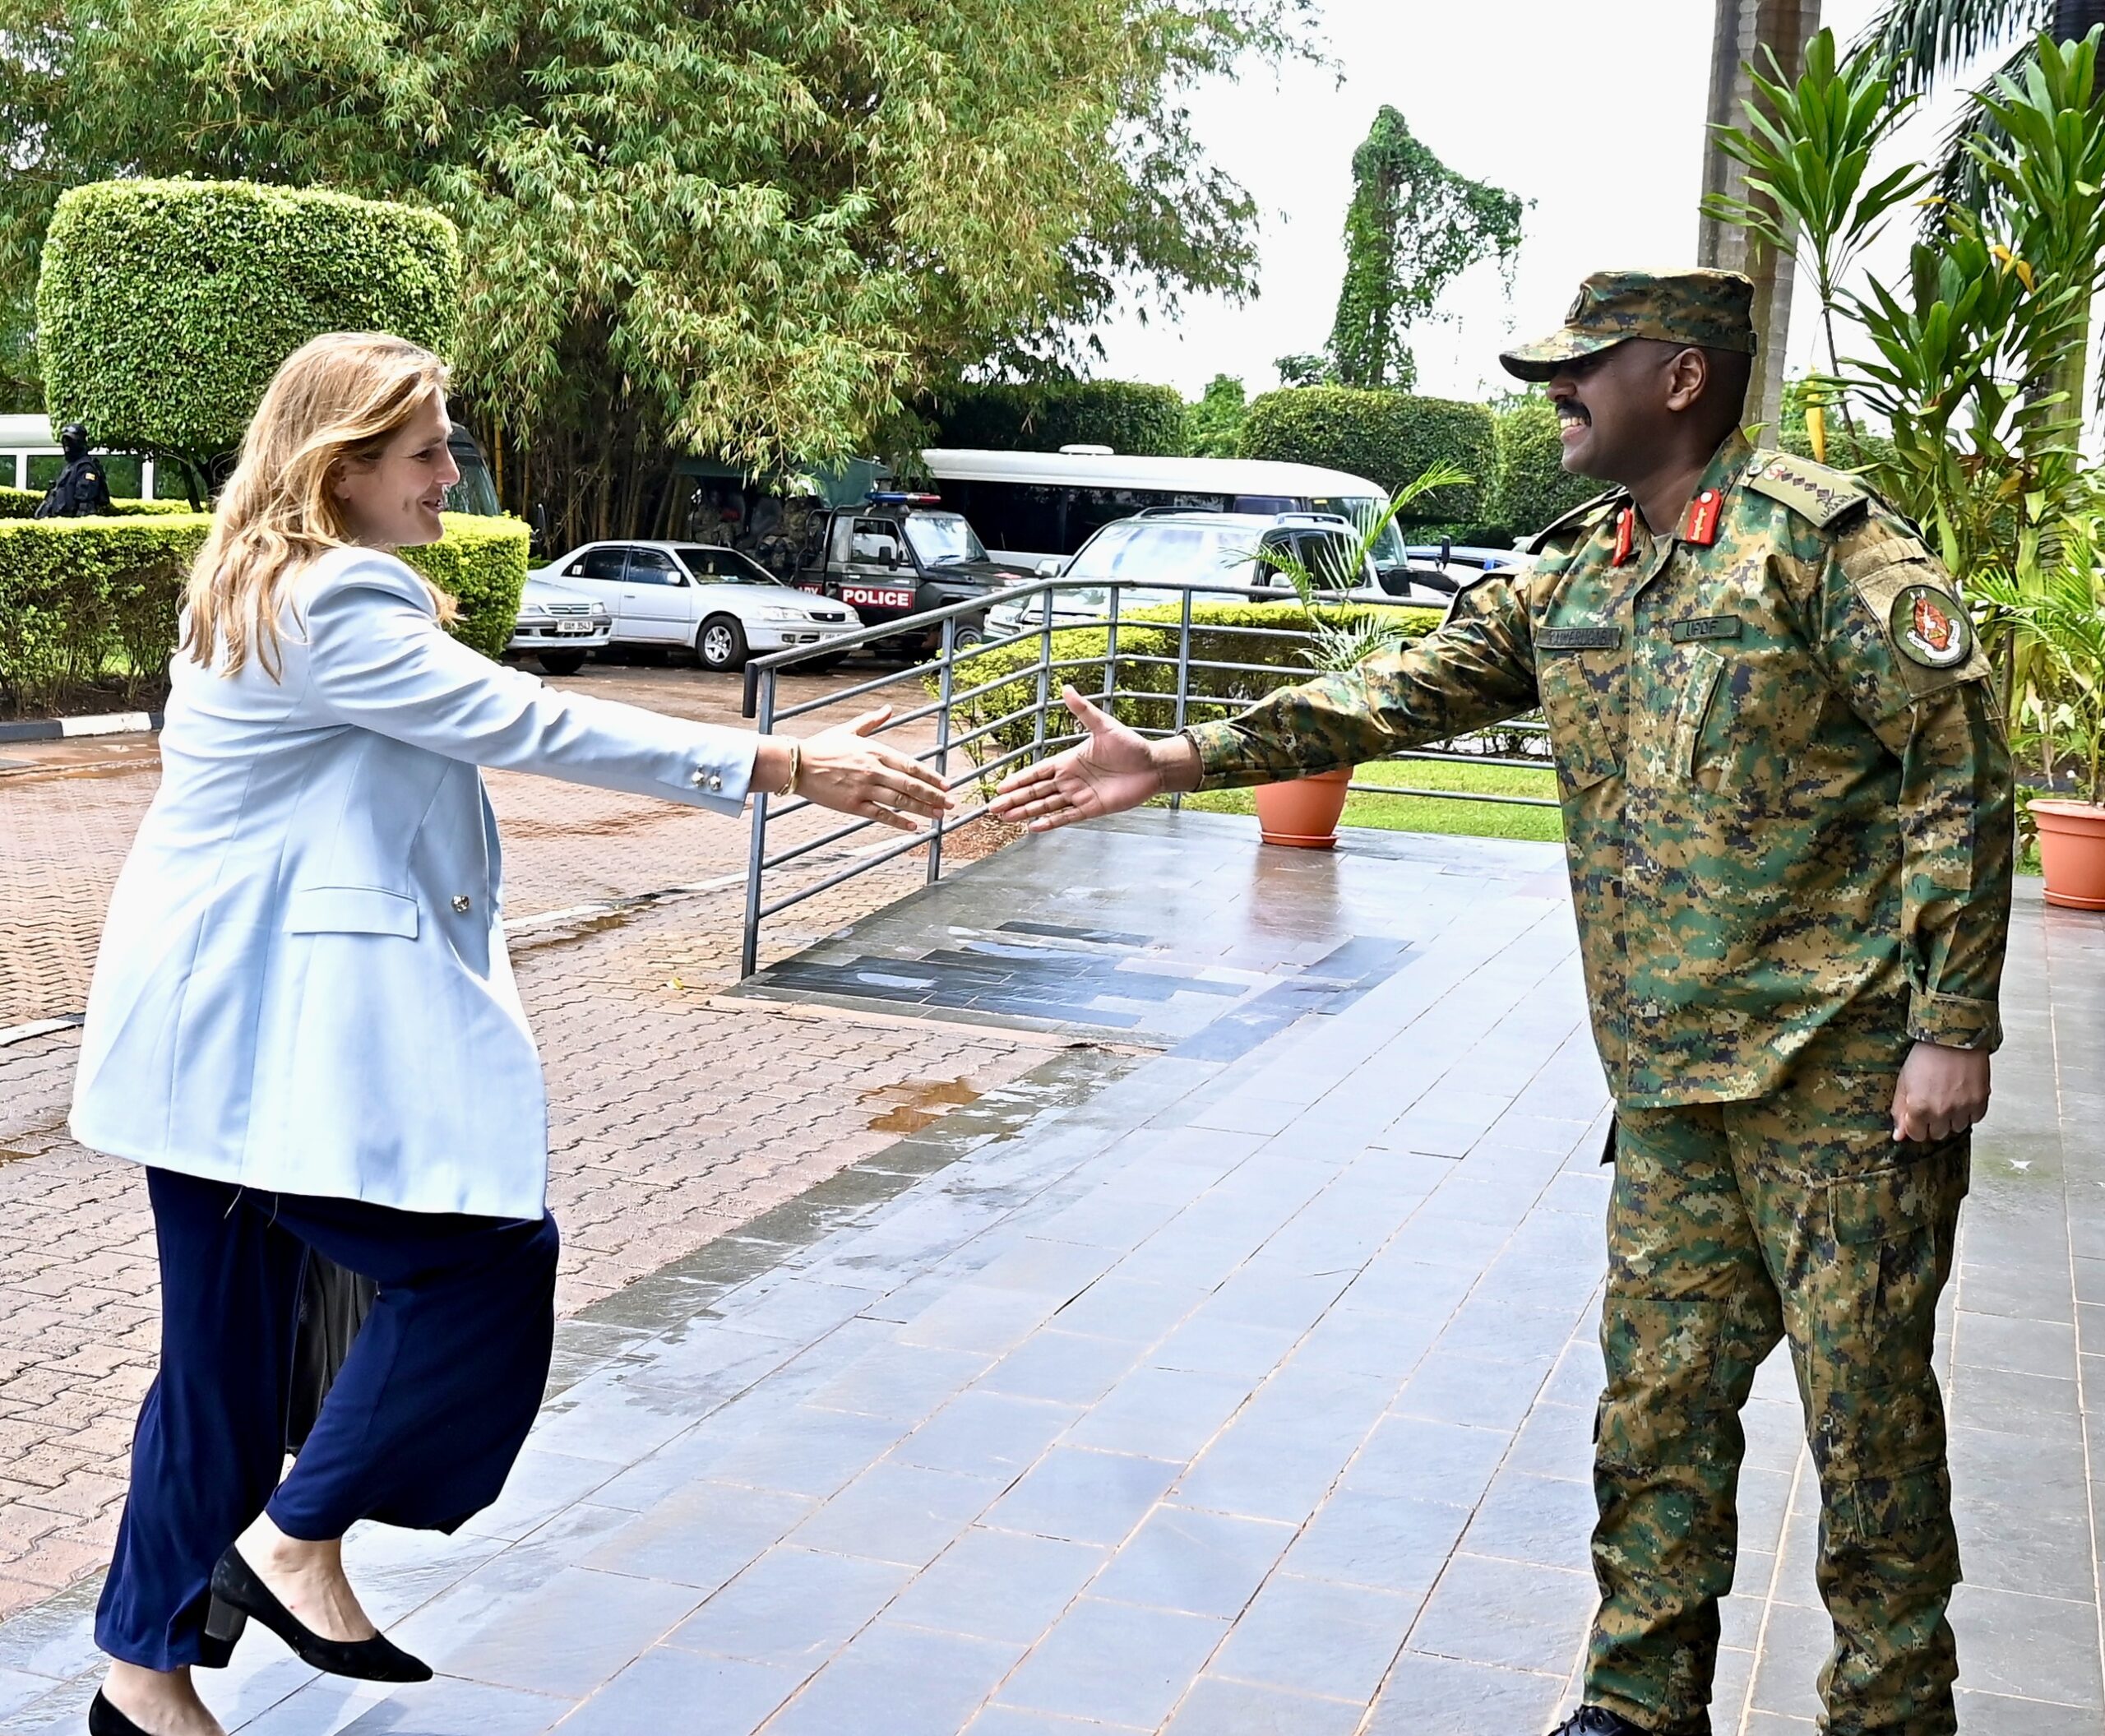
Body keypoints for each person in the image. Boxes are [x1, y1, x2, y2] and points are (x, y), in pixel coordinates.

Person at [989, 270, 2013, 1736]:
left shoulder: (1820, 549)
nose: (1556, 389)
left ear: (1680, 377)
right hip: (1666, 1090)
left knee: (1871, 1443)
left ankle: (1891, 1713)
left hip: (1840, 1081)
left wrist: (1951, 1024)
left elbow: (1959, 768)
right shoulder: (1575, 572)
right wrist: (1182, 750)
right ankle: (1639, 1704)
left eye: (1585, 363)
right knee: (1652, 1417)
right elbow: (1401, 689)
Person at [69, 332, 951, 1736]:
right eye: (425, 451)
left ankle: (140, 1682)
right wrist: (777, 760)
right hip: (253, 1049)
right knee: (483, 1261)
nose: (452, 471)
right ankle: (293, 1541)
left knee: (217, 1379)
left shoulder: (259, 585)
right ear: (340, 468)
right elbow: (520, 719)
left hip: (209, 1044)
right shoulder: (333, 598)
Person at [35, 422, 115, 517]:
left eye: (70, 441)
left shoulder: (86, 468)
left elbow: (85, 506)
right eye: (65, 441)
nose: (67, 445)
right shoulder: (70, 466)